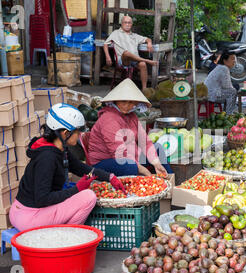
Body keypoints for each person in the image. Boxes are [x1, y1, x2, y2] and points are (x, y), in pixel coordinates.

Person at [9, 103, 126, 232]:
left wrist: (109, 177)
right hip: (29, 217)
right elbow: (42, 199)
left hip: (28, 211)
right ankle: (67, 237)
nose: (80, 135)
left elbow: (80, 168)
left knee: (79, 191)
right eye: (78, 132)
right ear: (66, 133)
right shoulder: (47, 158)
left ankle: (64, 232)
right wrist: (77, 189)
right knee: (88, 197)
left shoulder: (59, 148)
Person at [87, 78, 173, 177]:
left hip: (130, 156)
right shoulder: (108, 119)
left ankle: (170, 180)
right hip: (104, 162)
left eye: (131, 102)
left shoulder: (132, 116)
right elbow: (119, 153)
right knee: (130, 166)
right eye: (123, 101)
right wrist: (143, 170)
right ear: (116, 101)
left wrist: (156, 163)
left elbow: (144, 141)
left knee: (157, 148)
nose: (127, 105)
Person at [103, 15, 158, 89]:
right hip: (122, 60)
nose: (127, 24)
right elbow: (105, 44)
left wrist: (149, 43)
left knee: (143, 64)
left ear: (132, 24)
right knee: (126, 53)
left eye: (129, 23)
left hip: (134, 61)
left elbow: (147, 39)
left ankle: (144, 89)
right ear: (122, 23)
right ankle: (147, 61)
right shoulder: (116, 33)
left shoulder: (134, 36)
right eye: (125, 22)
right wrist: (107, 57)